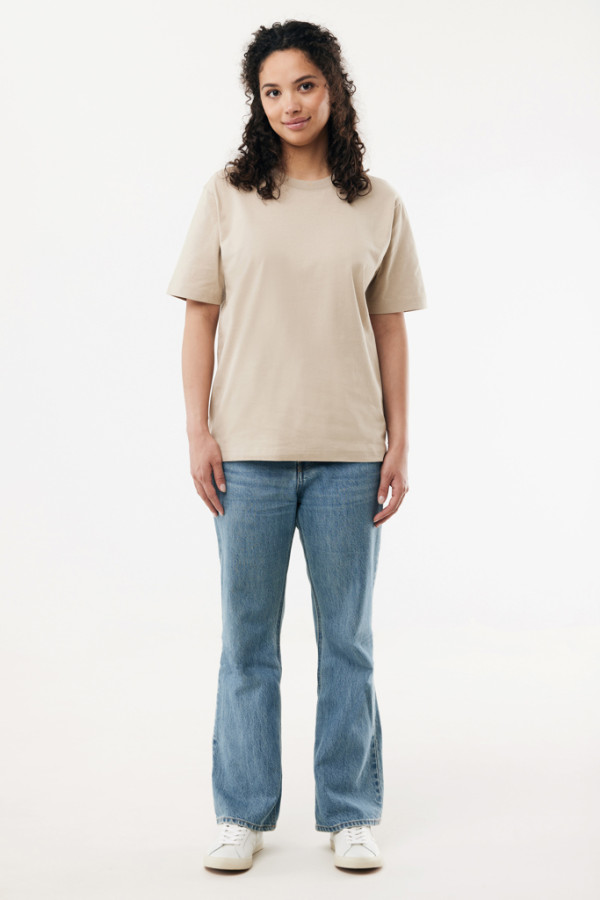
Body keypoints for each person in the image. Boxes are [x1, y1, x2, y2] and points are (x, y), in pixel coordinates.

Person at [166, 19, 427, 872]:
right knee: (248, 643)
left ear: (333, 88)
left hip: (350, 455)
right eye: (272, 90)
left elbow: (390, 329)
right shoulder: (228, 194)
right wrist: (198, 432)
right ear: (258, 100)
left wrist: (399, 440)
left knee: (347, 641)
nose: (290, 104)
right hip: (246, 454)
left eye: (304, 85)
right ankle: (241, 813)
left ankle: (350, 811)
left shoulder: (377, 203)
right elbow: (199, 317)